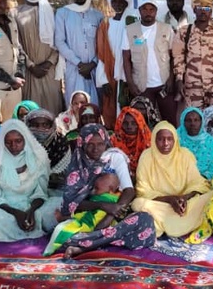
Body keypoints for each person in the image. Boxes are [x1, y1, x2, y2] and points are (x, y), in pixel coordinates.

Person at [51, 124, 155, 258]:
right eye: (90, 144)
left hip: (116, 212)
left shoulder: (114, 157)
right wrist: (102, 206)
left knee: (145, 220)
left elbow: (129, 190)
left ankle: (84, 245)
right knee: (60, 233)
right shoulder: (77, 163)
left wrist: (112, 213)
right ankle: (98, 241)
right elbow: (72, 203)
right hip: (87, 215)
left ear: (106, 142)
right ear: (82, 143)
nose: (96, 149)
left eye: (100, 144)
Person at [0, 119, 56, 241]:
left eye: (18, 141)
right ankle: (30, 227)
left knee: (58, 205)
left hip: (34, 208)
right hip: (6, 211)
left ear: (25, 140)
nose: (13, 146)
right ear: (3, 142)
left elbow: (40, 193)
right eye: (8, 142)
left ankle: (29, 223)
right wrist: (16, 213)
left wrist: (31, 211)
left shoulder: (38, 159)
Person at [132, 122, 211, 238]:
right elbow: (142, 190)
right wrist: (170, 200)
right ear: (154, 140)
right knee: (138, 204)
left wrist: (184, 198)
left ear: (175, 140)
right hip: (161, 205)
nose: (165, 143)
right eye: (160, 139)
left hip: (186, 204)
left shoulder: (185, 155)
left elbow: (198, 183)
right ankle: (186, 223)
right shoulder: (146, 156)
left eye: (169, 139)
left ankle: (162, 224)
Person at [122, 0, 177, 124]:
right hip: (142, 86)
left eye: (151, 9)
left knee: (170, 121)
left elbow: (173, 56)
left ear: (156, 11)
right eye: (145, 9)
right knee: (144, 122)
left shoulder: (167, 29)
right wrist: (130, 83)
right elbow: (126, 58)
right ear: (139, 11)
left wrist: (171, 79)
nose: (148, 12)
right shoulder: (129, 30)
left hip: (164, 84)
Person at [15, 0, 63, 114]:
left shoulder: (53, 12)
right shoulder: (15, 13)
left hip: (50, 69)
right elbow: (16, 43)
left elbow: (60, 40)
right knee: (31, 109)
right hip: (29, 70)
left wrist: (49, 63)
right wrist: (30, 65)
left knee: (53, 107)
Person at [172, 0, 213, 109]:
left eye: (207, 8)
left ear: (211, 11)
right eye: (199, 8)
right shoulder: (184, 32)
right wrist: (179, 80)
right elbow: (178, 58)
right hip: (192, 88)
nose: (203, 11)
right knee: (193, 118)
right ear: (194, 9)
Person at [46, 172, 120, 255]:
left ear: (110, 189)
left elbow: (90, 218)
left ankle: (67, 245)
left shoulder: (108, 200)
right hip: (90, 228)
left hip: (90, 229)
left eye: (97, 188)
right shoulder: (107, 199)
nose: (94, 191)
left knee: (62, 231)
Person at [55, 0, 104, 103]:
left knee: (95, 105)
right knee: (75, 104)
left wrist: (92, 64)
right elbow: (59, 41)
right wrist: (79, 64)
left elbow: (103, 43)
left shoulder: (98, 15)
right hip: (74, 68)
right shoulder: (62, 13)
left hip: (95, 68)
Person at [96, 0, 137, 127]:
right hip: (110, 72)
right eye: (114, 1)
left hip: (129, 73)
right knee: (110, 108)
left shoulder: (133, 22)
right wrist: (103, 80)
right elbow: (101, 54)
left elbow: (139, 49)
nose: (118, 4)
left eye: (121, 1)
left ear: (126, 3)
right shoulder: (105, 24)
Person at [25, 108, 71, 185]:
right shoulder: (22, 143)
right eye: (35, 125)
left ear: (52, 126)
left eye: (45, 125)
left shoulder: (60, 142)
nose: (40, 129)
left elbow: (65, 175)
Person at [178, 107, 213, 180]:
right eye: (189, 120)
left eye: (196, 120)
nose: (192, 123)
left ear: (202, 122)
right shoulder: (176, 139)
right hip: (180, 178)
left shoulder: (209, 141)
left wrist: (203, 178)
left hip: (204, 180)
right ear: (183, 122)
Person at [110, 106, 152, 179]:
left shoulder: (148, 141)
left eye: (133, 123)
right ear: (120, 124)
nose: (129, 126)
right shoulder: (113, 141)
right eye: (125, 123)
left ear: (140, 124)